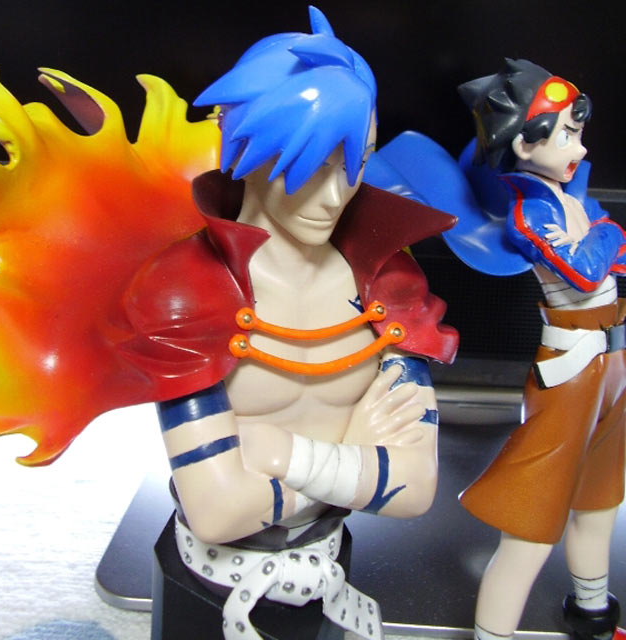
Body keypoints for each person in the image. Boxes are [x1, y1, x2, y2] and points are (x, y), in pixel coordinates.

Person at [149, 7, 458, 640]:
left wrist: (275, 453)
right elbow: (215, 511)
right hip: (206, 586)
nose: (335, 196)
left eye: (356, 162)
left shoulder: (388, 282)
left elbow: (417, 488)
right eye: (314, 163)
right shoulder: (185, 291)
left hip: (329, 569)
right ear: (250, 149)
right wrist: (352, 462)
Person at [452, 59, 626, 640]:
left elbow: (614, 259)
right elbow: (586, 270)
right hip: (570, 373)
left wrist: (604, 238)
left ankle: (593, 613)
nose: (580, 146)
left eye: (579, 132)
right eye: (567, 135)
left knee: (599, 501)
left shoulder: (575, 201)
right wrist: (607, 234)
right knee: (530, 525)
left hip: (613, 364)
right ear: (525, 145)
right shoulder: (532, 214)